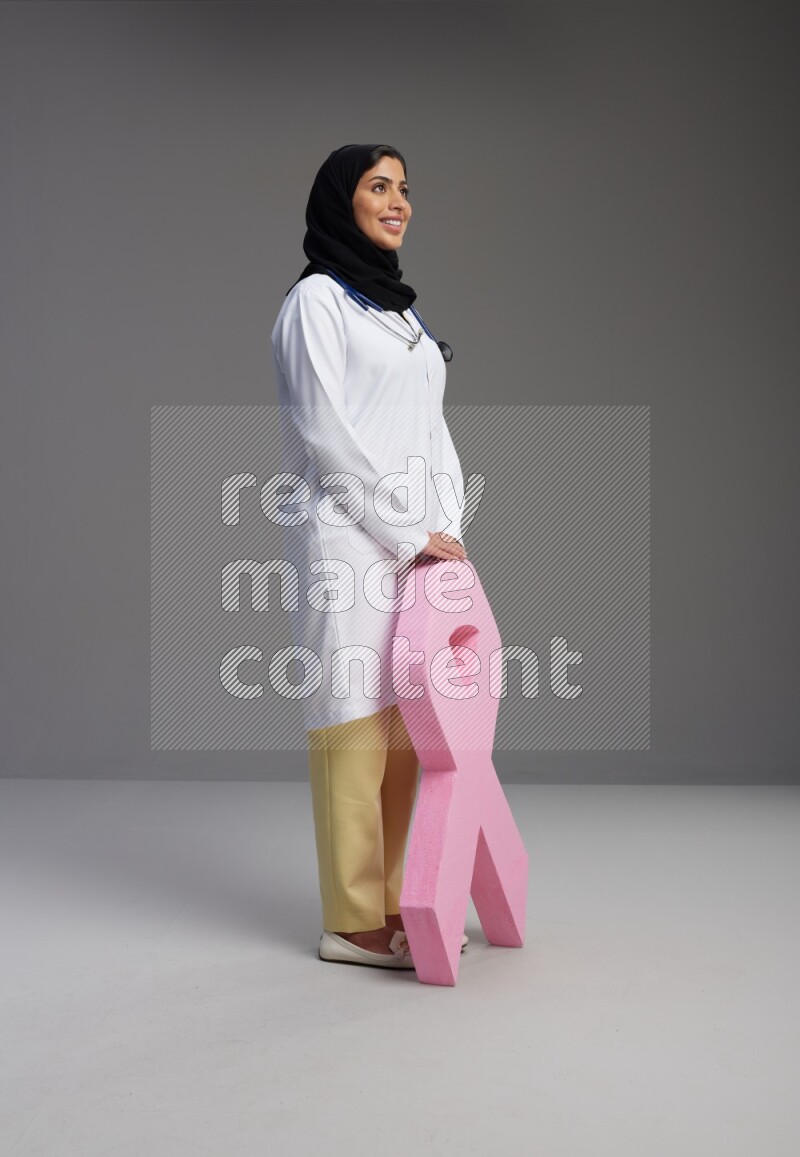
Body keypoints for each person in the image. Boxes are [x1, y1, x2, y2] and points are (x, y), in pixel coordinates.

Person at [271, 143, 468, 969]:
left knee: (404, 724)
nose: (398, 202)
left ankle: (399, 898)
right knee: (351, 718)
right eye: (378, 187)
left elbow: (433, 432)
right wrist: (401, 531)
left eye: (404, 189)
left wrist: (446, 526)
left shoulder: (402, 314)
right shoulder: (317, 302)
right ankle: (351, 920)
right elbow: (325, 435)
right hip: (349, 542)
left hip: (414, 545)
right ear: (339, 202)